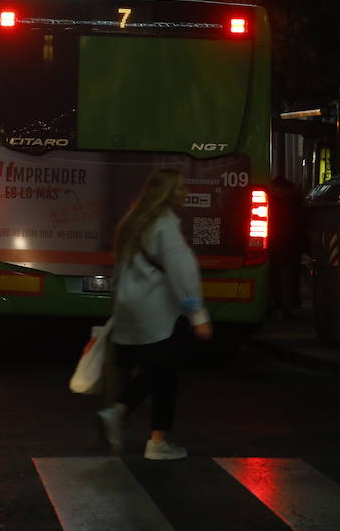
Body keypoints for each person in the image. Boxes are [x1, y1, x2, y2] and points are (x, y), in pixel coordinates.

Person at [96, 168, 212, 461]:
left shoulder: (132, 222)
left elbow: (121, 269)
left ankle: (118, 414)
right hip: (160, 312)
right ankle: (155, 440)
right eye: (181, 188)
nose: (186, 193)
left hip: (130, 308)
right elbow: (181, 271)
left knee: (151, 368)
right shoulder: (165, 226)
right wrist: (197, 314)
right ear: (167, 194)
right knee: (166, 371)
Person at [269, 177, 306, 317]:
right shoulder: (297, 203)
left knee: (277, 276)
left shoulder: (275, 203)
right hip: (292, 245)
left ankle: (280, 303)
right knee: (291, 276)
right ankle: (292, 303)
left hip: (278, 244)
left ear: (280, 189)